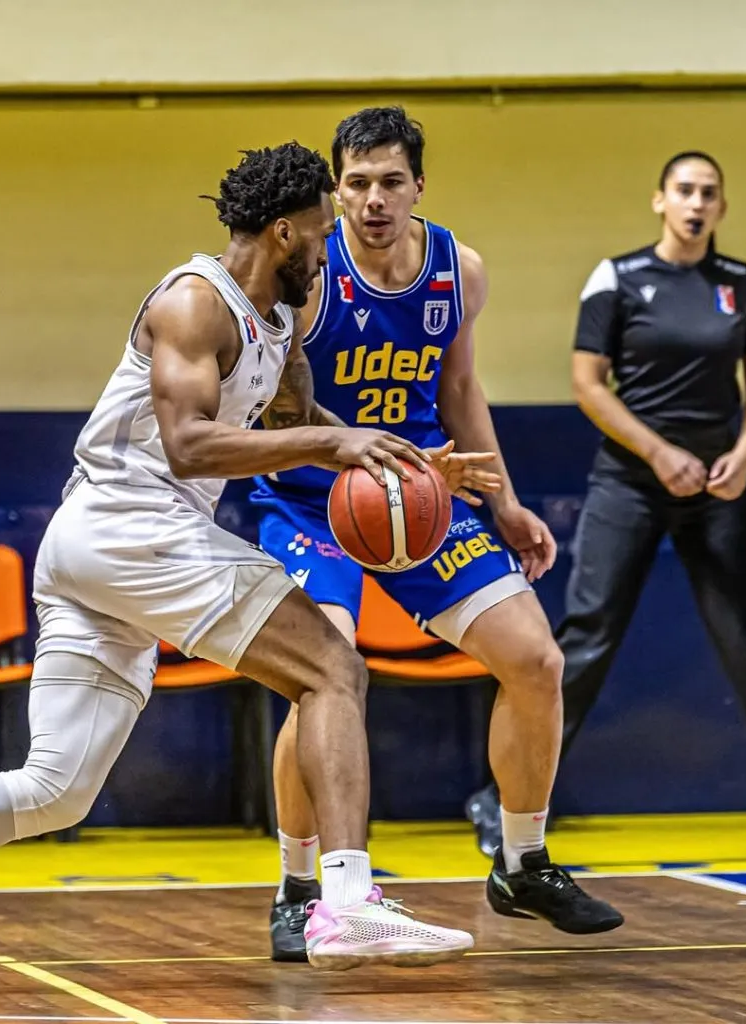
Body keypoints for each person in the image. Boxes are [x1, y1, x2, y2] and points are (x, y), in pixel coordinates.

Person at [0, 141, 497, 978]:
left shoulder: (281, 322)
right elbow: (189, 445)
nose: (333, 251)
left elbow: (300, 418)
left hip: (111, 551)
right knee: (333, 668)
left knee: (55, 789)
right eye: (324, 234)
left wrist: (404, 464)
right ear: (284, 233)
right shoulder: (194, 303)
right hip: (130, 525)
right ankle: (347, 902)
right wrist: (335, 444)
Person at [252, 107, 624, 962]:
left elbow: (459, 389)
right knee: (322, 674)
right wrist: (385, 459)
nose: (374, 200)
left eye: (391, 182)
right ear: (336, 190)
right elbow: (279, 412)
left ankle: (522, 863)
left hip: (426, 495)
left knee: (536, 660)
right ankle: (299, 888)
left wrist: (507, 502)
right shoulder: (307, 277)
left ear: (419, 185)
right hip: (314, 500)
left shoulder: (459, 270)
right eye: (357, 184)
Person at [465, 150, 746, 854]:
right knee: (587, 637)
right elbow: (588, 385)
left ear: (722, 207)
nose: (696, 203)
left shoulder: (744, 283)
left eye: (709, 193)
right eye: (684, 191)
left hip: (717, 487)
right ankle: (501, 801)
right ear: (660, 200)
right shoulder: (618, 278)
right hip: (630, 483)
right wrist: (658, 454)